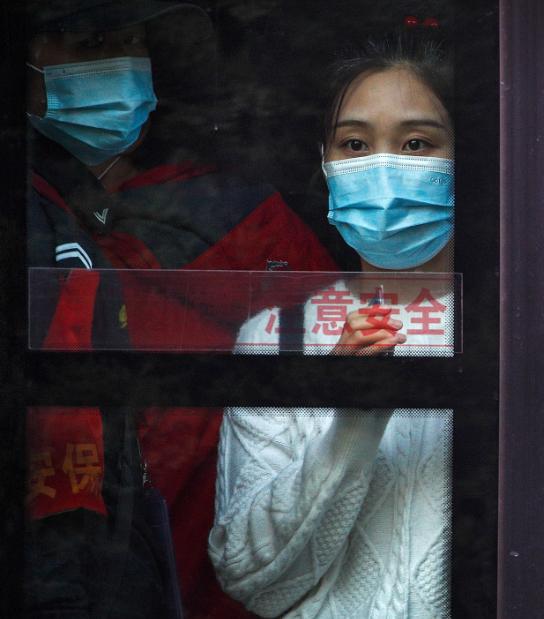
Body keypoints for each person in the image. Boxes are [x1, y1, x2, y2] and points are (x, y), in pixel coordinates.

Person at [24, 2, 337, 617]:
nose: (116, 62)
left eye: (132, 41)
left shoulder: (246, 218)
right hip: (82, 563)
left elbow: (335, 383)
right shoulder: (29, 214)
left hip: (232, 566)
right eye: (89, 43)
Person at [209, 32, 456, 618]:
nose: (384, 167)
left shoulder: (523, 332)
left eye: (417, 143)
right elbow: (248, 575)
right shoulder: (277, 335)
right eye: (354, 143)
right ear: (325, 164)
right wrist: (353, 418)